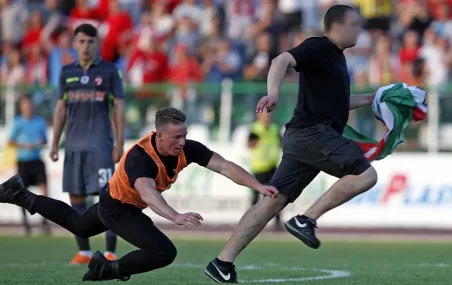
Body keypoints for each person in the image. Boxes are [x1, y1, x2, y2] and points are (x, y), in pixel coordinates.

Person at [0, 107, 278, 282]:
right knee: (164, 252)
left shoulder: (186, 148)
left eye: (185, 135)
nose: (183, 142)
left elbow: (224, 166)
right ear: (158, 136)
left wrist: (258, 186)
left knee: (79, 224)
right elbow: (148, 193)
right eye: (176, 138)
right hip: (118, 207)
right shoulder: (140, 158)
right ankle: (107, 269)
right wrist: (175, 215)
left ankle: (20, 195)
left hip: (120, 201)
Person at [204, 5, 378, 283]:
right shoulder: (319, 46)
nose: (359, 29)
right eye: (355, 23)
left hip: (303, 137)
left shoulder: (335, 57)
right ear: (338, 26)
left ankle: (222, 262)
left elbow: (337, 104)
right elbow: (280, 60)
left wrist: (373, 98)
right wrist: (272, 92)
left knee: (273, 201)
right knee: (366, 174)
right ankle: (305, 219)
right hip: (313, 133)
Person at [49, 23, 126, 264]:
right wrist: (54, 143)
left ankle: (111, 251)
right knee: (76, 197)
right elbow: (61, 107)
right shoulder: (66, 72)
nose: (85, 46)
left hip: (101, 146)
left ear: (97, 44)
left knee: (108, 198)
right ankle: (83, 252)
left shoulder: (110, 71)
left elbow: (119, 106)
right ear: (74, 44)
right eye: (81, 42)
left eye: (90, 42)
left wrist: (119, 142)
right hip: (73, 146)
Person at [8, 95, 50, 236]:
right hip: (23, 162)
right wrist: (23, 145)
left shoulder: (39, 122)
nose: (28, 107)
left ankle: (45, 221)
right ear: (22, 106)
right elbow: (10, 142)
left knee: (44, 190)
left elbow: (45, 140)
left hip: (37, 160)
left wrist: (38, 143)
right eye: (25, 105)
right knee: (22, 192)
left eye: (30, 104)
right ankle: (26, 223)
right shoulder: (18, 122)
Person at [247, 111, 282, 230]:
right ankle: (251, 221)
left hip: (272, 166)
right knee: (255, 196)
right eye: (265, 116)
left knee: (277, 195)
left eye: (268, 116)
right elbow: (250, 144)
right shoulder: (256, 129)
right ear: (259, 118)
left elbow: (280, 143)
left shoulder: (274, 129)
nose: (267, 118)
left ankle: (277, 223)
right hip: (260, 166)